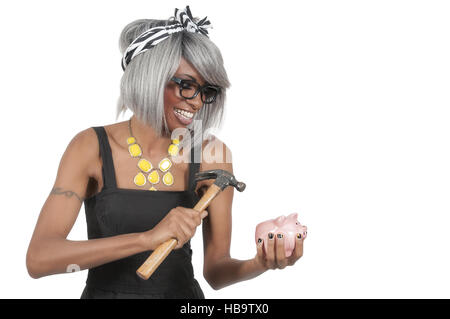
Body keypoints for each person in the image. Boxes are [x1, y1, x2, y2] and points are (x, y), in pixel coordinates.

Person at [26, 6, 306, 299]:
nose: (197, 102)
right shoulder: (90, 146)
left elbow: (216, 272)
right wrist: (146, 239)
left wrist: (259, 263)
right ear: (149, 77)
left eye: (206, 91)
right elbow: (39, 259)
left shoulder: (212, 154)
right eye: (186, 85)